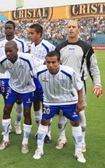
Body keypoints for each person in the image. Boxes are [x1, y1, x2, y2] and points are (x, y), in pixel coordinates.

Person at [55, 20, 103, 152]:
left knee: (80, 113)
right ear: (66, 29)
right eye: (69, 27)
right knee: (61, 113)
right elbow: (54, 66)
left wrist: (97, 83)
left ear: (78, 29)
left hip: (79, 86)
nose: (71, 29)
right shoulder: (59, 48)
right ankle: (61, 138)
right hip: (62, 86)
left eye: (73, 27)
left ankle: (82, 141)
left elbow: (93, 67)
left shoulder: (86, 47)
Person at [32, 51, 86, 163]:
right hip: (50, 101)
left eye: (53, 62)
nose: (50, 65)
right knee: (44, 121)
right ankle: (39, 149)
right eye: (48, 62)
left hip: (69, 100)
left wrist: (80, 102)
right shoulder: (39, 72)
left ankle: (78, 152)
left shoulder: (69, 72)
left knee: (75, 122)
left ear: (59, 62)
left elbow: (79, 87)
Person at [0, 41, 43, 154]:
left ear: (16, 50)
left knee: (27, 112)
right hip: (13, 87)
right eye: (6, 51)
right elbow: (1, 69)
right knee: (6, 109)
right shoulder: (3, 61)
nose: (8, 53)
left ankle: (25, 142)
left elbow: (36, 73)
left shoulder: (27, 59)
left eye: (10, 51)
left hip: (27, 88)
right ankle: (5, 139)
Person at [0, 20, 29, 135]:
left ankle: (18, 124)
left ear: (14, 30)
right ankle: (8, 126)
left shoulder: (21, 43)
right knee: (7, 102)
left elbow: (24, 58)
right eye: (6, 28)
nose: (7, 30)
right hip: (4, 76)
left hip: (19, 76)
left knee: (19, 102)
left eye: (10, 28)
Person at [28, 23, 56, 143]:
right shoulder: (32, 45)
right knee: (36, 105)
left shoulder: (48, 46)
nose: (30, 35)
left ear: (39, 34)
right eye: (29, 33)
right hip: (34, 79)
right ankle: (40, 130)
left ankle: (48, 133)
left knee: (47, 106)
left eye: (32, 33)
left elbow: (55, 61)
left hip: (46, 79)